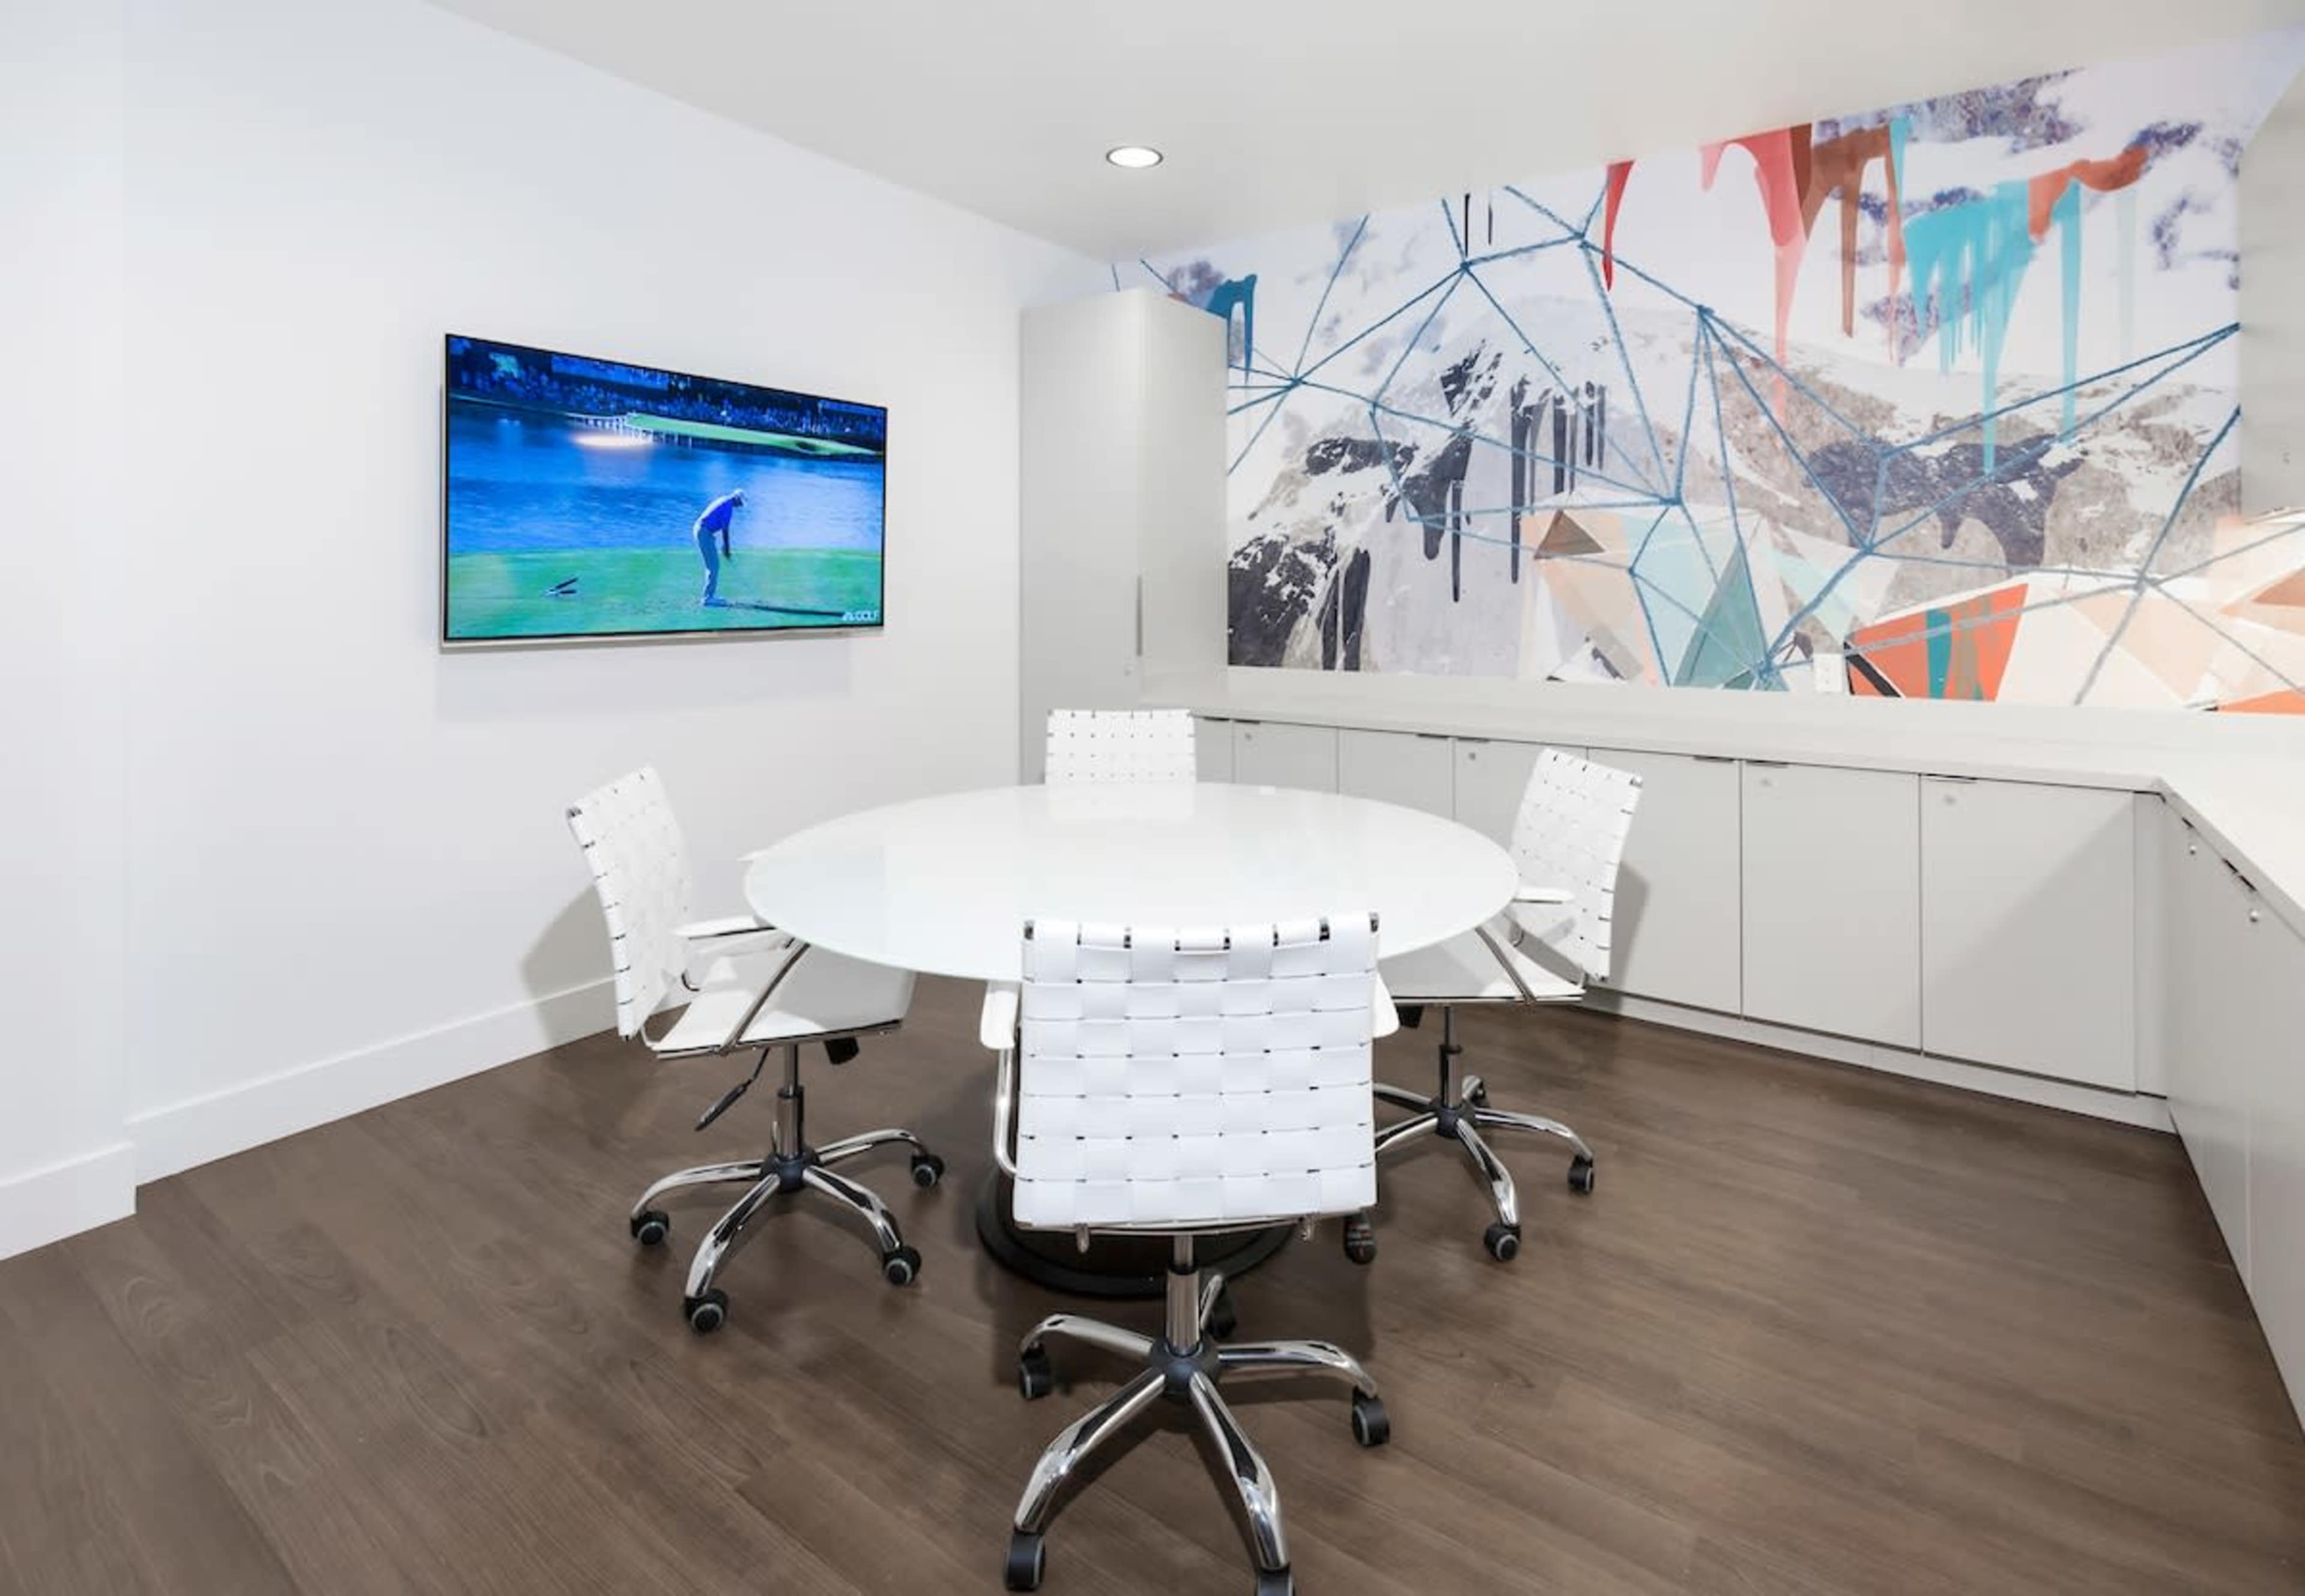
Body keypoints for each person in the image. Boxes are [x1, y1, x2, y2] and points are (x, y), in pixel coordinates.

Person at [693, 489, 744, 606]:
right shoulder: (728, 506)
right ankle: (708, 598)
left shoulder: (724, 500)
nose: (740, 506)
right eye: (740, 503)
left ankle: (709, 596)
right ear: (737, 499)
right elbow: (725, 530)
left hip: (705, 532)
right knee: (713, 566)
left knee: (713, 565)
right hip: (704, 532)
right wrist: (727, 549)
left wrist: (724, 547)